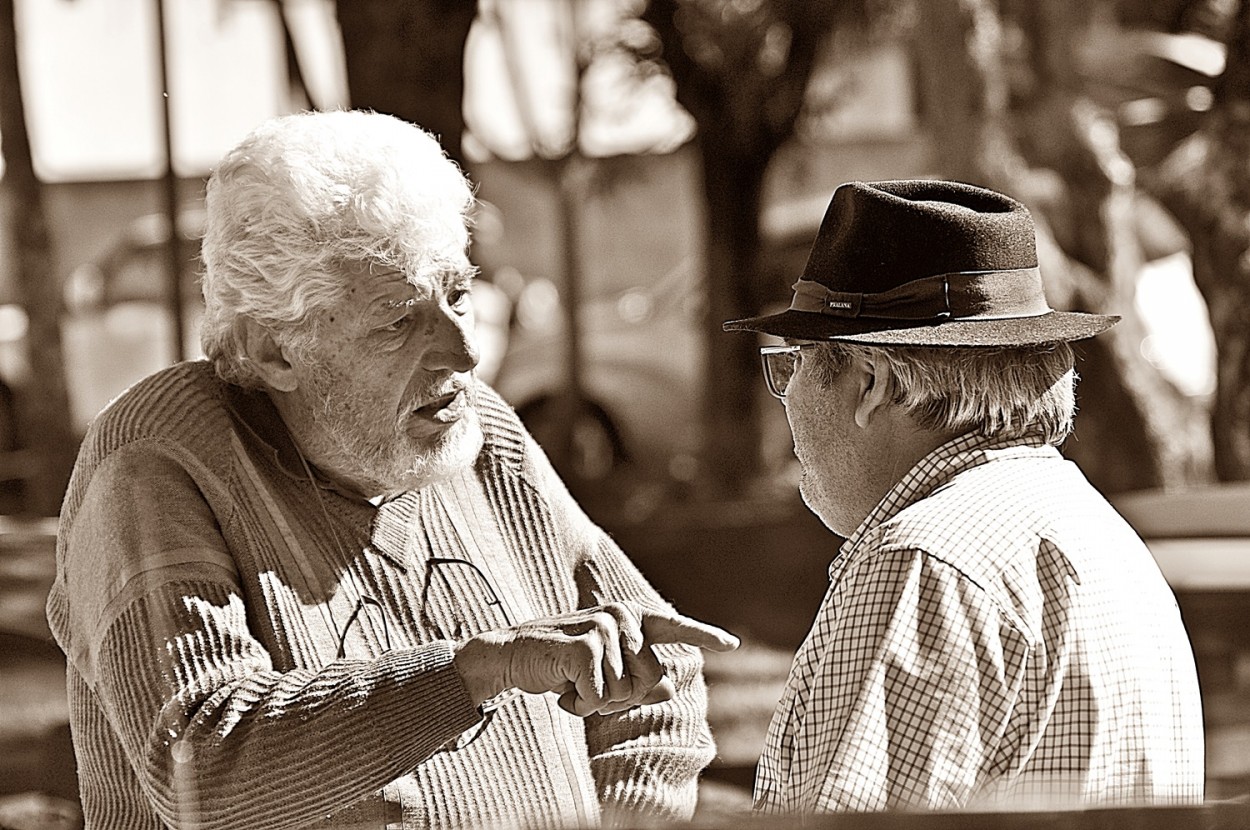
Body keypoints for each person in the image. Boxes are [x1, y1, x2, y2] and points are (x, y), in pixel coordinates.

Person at [47, 109, 738, 830]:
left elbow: (658, 667)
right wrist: (476, 672)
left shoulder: (477, 431)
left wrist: (630, 815)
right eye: (400, 319)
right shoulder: (157, 462)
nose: (465, 353)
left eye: (459, 294)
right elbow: (205, 767)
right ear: (274, 350)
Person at [723, 179, 1204, 814]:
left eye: (795, 364)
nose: (785, 397)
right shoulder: (1097, 530)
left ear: (869, 381)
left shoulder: (923, 563)